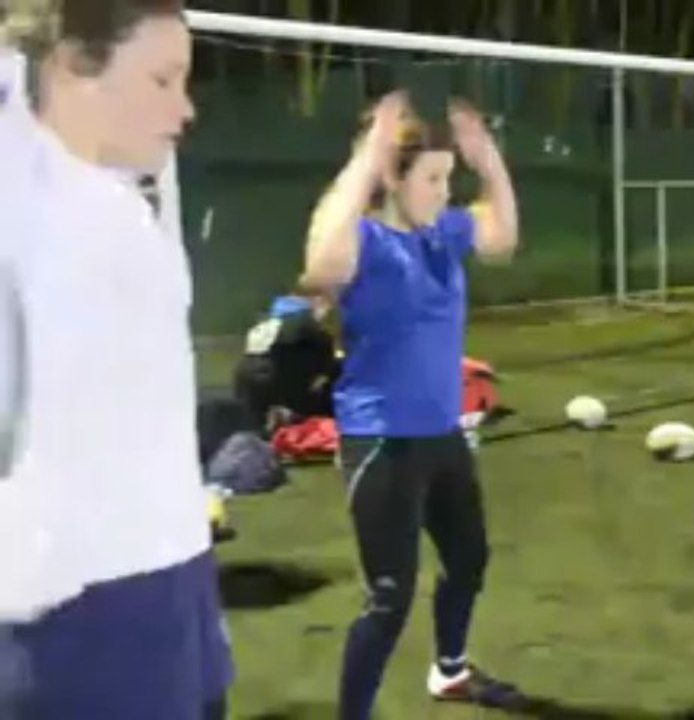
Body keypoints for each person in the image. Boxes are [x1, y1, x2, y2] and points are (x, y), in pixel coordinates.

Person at [0, 2, 233, 719]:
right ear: (71, 68)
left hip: (178, 576)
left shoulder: (127, 200)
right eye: (162, 80)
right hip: (83, 613)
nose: (185, 107)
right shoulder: (21, 194)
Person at [300, 92, 522, 718]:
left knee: (469, 559)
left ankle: (449, 671)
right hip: (381, 439)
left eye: (449, 179)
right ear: (392, 180)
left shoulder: (442, 237)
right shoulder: (365, 241)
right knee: (390, 596)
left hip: (442, 434)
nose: (444, 192)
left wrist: (488, 159)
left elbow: (502, 238)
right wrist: (368, 158)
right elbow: (320, 265)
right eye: (432, 179)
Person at [233, 292, 341, 431]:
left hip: (251, 387)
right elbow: (326, 364)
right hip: (282, 388)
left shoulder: (262, 330)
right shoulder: (304, 331)